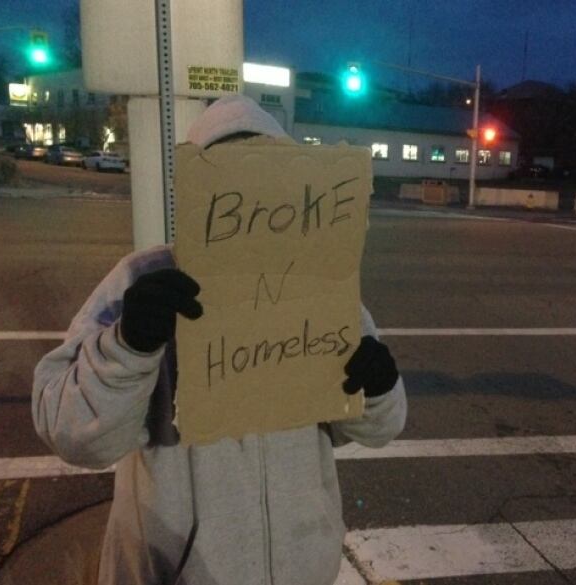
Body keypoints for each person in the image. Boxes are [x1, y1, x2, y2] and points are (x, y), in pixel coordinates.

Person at [32, 95, 407, 585]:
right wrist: (129, 346)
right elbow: (73, 434)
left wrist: (377, 388)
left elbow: (382, 428)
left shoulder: (320, 286)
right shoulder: (142, 280)